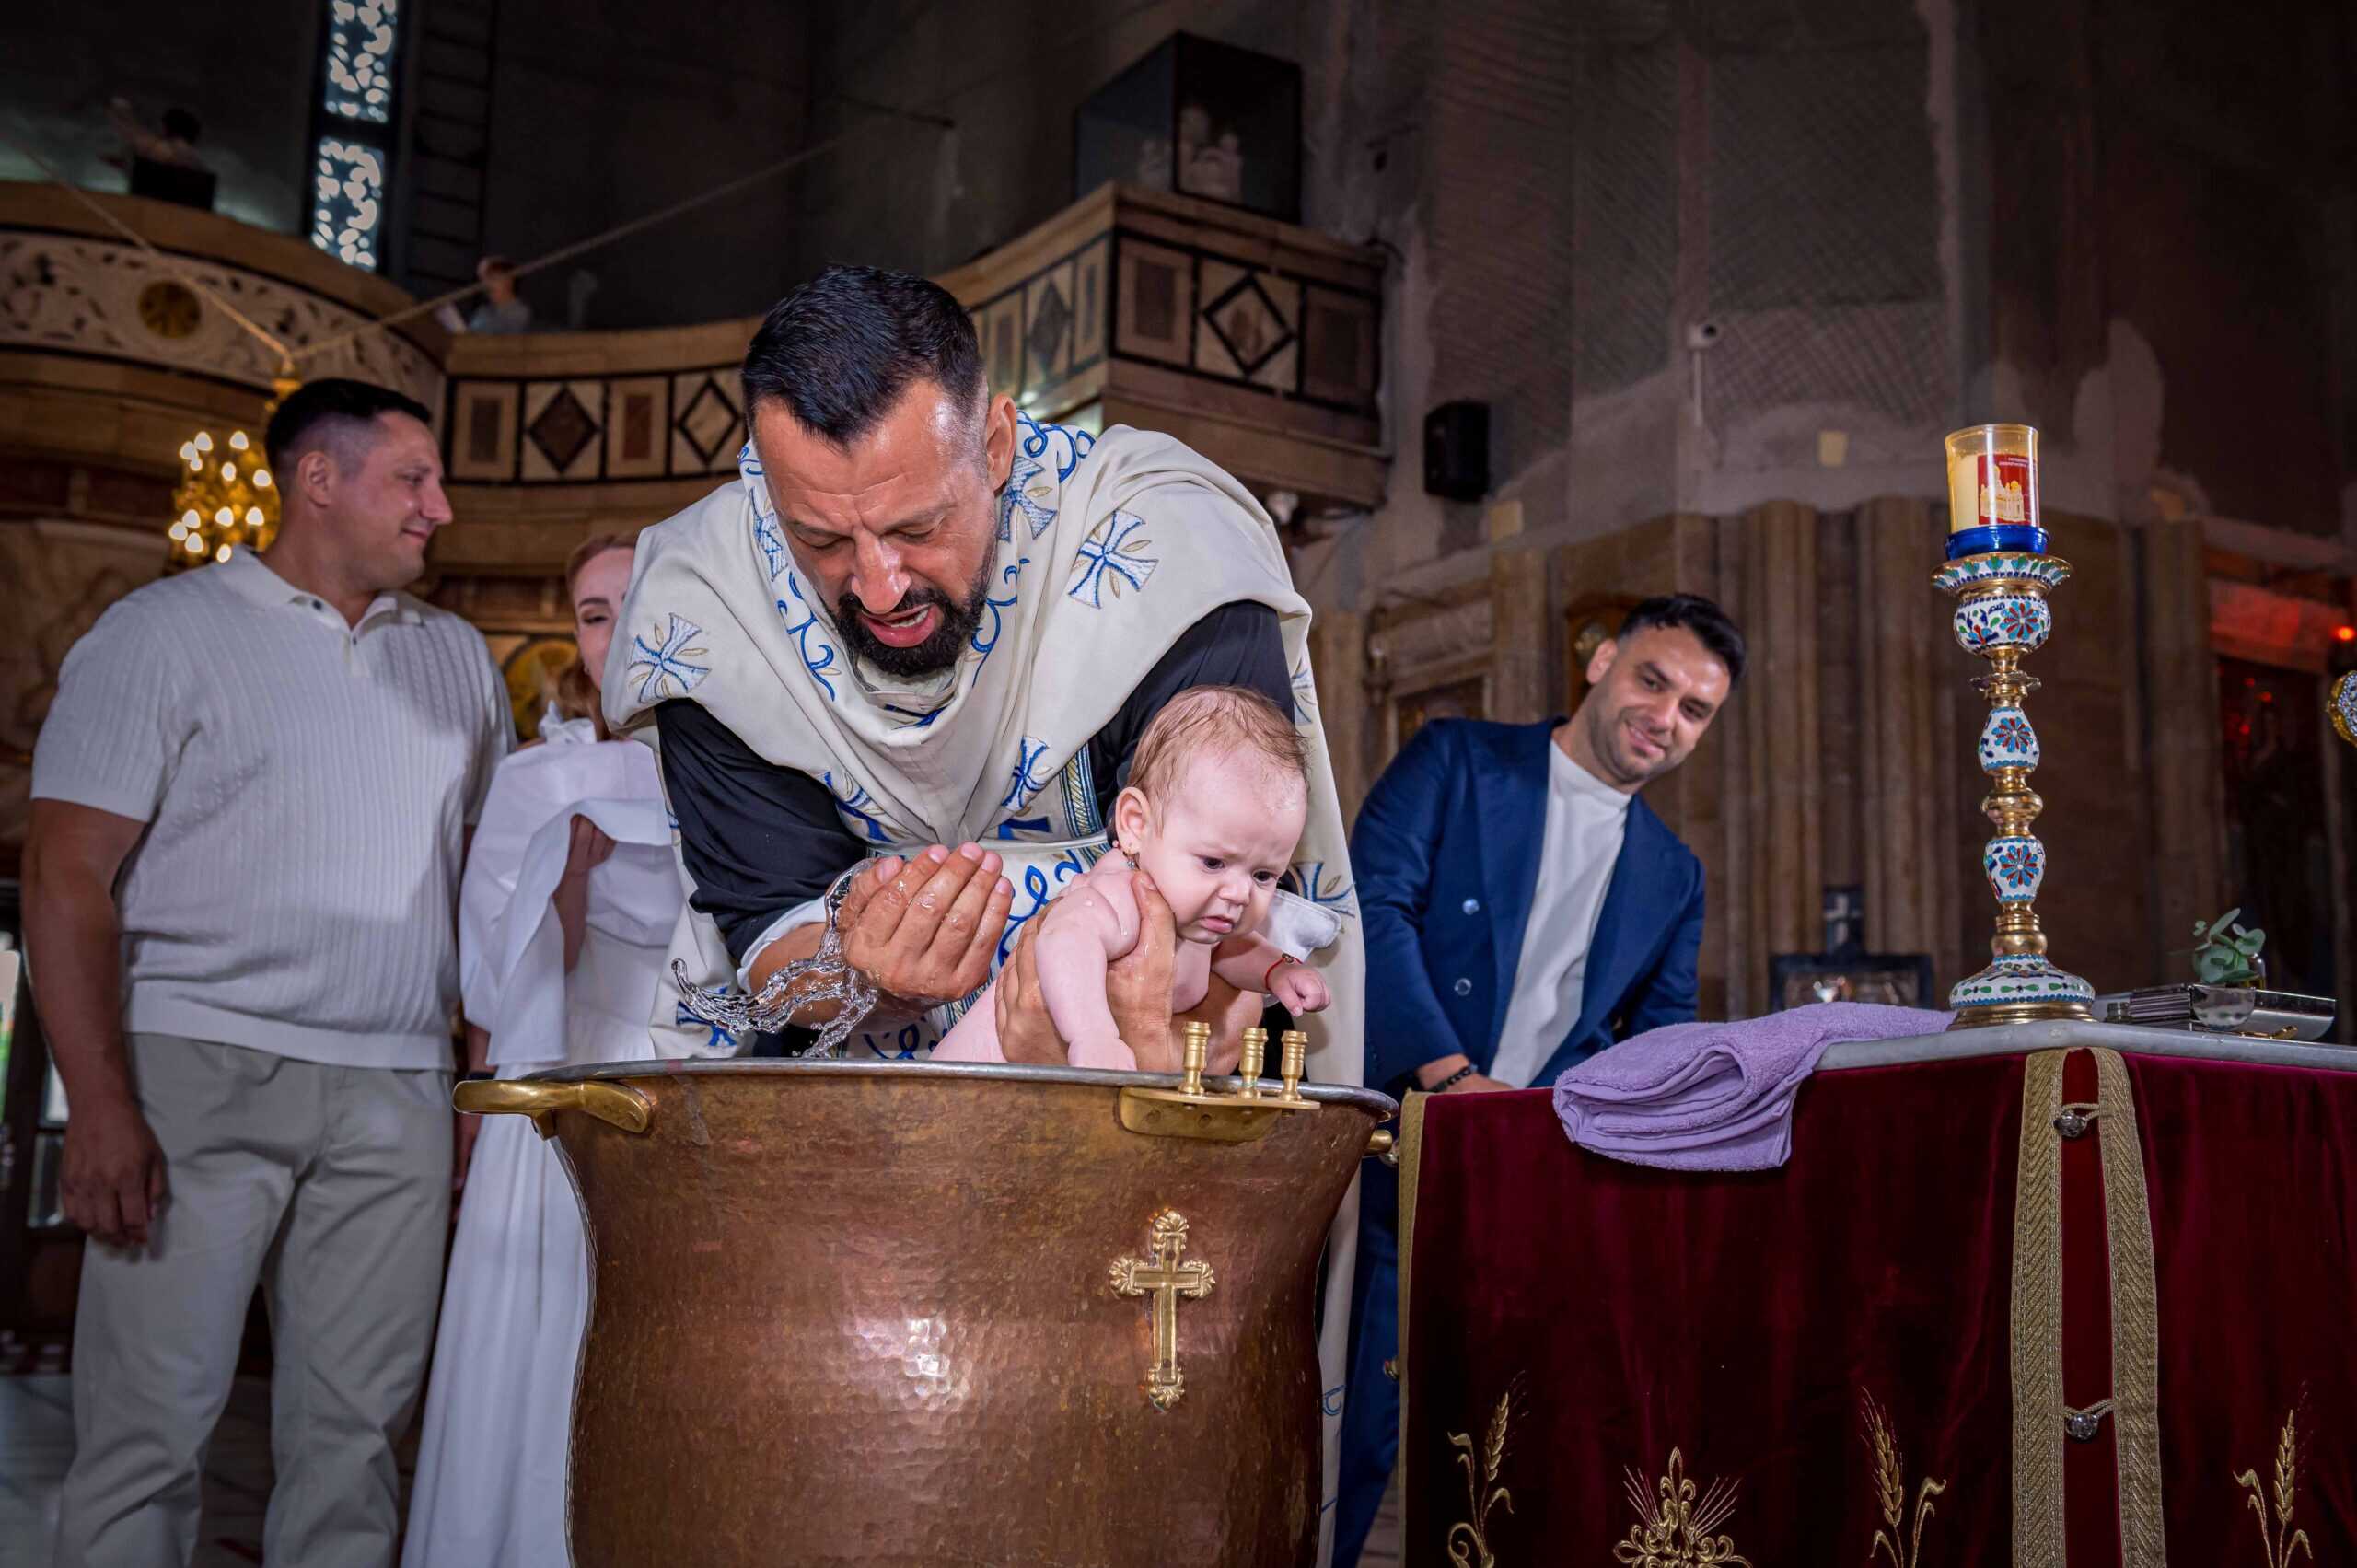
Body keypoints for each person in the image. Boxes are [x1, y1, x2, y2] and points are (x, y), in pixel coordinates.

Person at [608, 263, 1366, 1539]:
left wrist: (1087, 924)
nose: (881, 583)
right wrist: (855, 953)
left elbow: (1222, 855)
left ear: (1000, 437)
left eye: (917, 525)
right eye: (824, 541)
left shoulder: (1163, 532)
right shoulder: (709, 598)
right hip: (857, 1197)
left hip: (1129, 1167)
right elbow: (763, 938)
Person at [26, 378, 510, 1568]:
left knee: (356, 1442)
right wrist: (97, 1102)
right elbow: (63, 877)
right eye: (413, 479)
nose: (439, 508)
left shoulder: (459, 659)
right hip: (196, 1069)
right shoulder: (160, 633)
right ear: (319, 478)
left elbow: (490, 894)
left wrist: (474, 1083)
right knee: (146, 1434)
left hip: (395, 1084)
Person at [1331, 592, 1745, 1566]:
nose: (1666, 717)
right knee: (1350, 1428)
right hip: (1393, 1141)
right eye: (1653, 678)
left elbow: (1658, 1033)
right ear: (1599, 662)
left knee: (1510, 1441)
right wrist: (1451, 1075)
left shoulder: (1673, 872)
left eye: (1695, 709)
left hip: (1538, 1179)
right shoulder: (1458, 759)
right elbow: (1371, 907)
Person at [402, 532, 722, 1567]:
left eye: (637, 600)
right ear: (576, 638)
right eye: (592, 612)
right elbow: (500, 990)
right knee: (548, 1351)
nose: (617, 628)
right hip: (565, 1078)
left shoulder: (753, 764)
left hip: (708, 1087)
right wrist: (567, 882)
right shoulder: (539, 778)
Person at [934, 686, 1332, 1066]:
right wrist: (1092, 1035)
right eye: (1213, 863)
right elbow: (1066, 941)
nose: (1239, 893)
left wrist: (1277, 970)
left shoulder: (1197, 914)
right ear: (1135, 824)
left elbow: (1231, 952)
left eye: (1263, 875)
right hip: (976, 1080)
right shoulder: (1124, 894)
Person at [436, 256, 533, 335]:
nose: (486, 285)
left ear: (509, 280)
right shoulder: (483, 313)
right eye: (483, 280)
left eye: (492, 278)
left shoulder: (520, 313)